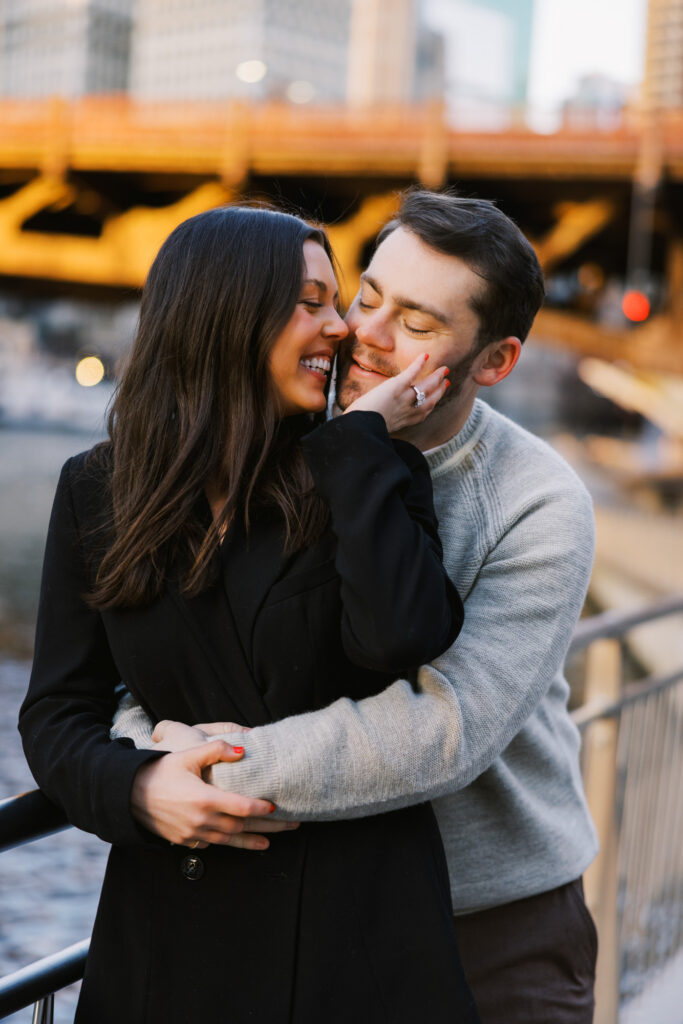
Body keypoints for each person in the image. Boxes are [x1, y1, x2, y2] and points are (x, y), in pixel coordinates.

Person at [116, 190, 599, 1024]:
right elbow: (166, 650)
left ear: (495, 360)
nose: (360, 335)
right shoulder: (268, 445)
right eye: (365, 296)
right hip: (302, 906)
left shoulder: (537, 501)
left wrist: (210, 770)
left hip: (490, 924)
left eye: (415, 325)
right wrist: (139, 762)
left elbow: (443, 731)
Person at [19, 206, 480, 1023]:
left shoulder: (362, 469)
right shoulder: (98, 488)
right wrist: (137, 788)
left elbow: (400, 637)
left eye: (336, 302)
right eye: (312, 302)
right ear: (224, 310)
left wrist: (361, 441)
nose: (341, 328)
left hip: (359, 944)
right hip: (170, 935)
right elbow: (58, 708)